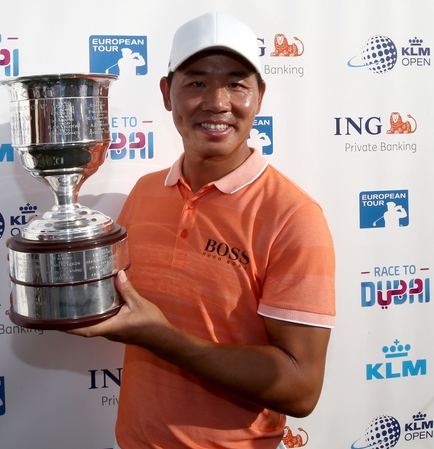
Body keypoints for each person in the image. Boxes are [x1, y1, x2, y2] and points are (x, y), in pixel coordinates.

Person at [69, 12, 336, 448]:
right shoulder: (145, 191)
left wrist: (162, 338)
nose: (217, 102)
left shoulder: (293, 215)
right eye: (196, 82)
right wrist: (55, 284)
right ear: (166, 93)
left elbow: (301, 388)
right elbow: (117, 299)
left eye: (236, 83)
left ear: (259, 96)